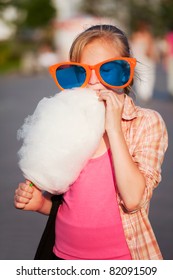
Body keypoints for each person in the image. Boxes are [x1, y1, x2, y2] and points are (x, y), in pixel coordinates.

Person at [14, 24, 168, 260]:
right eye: (81, 72)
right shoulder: (67, 120)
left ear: (126, 72)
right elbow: (71, 203)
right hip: (61, 256)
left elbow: (134, 199)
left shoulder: (147, 123)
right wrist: (41, 204)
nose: (94, 81)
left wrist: (113, 129)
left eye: (108, 70)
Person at [130, 21, 158, 103]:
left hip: (137, 59)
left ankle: (142, 93)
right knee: (148, 76)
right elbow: (150, 48)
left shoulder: (135, 35)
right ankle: (146, 94)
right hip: (146, 59)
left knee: (140, 76)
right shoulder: (148, 36)